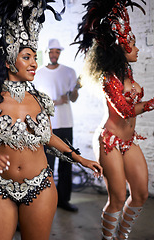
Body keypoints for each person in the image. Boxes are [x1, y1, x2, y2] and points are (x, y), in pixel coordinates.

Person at [0, 1, 103, 239]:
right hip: (0, 187)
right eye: (27, 57)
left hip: (41, 186)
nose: (34, 63)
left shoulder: (40, 99)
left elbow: (48, 137)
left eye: (34, 57)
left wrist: (79, 158)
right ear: (9, 61)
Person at [74, 0, 153, 239]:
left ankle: (121, 236)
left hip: (128, 141)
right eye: (133, 44)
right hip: (109, 141)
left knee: (140, 194)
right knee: (117, 198)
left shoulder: (126, 71)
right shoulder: (108, 79)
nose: (137, 49)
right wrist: (151, 104)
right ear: (120, 46)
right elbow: (125, 111)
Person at [34, 38, 81, 212]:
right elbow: (35, 102)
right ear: (47, 53)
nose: (54, 54)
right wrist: (55, 101)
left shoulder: (69, 72)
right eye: (52, 51)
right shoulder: (38, 73)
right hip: (47, 126)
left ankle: (63, 200)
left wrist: (75, 90)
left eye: (57, 52)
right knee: (47, 165)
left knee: (66, 163)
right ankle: (46, 202)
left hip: (66, 123)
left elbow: (73, 98)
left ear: (60, 53)